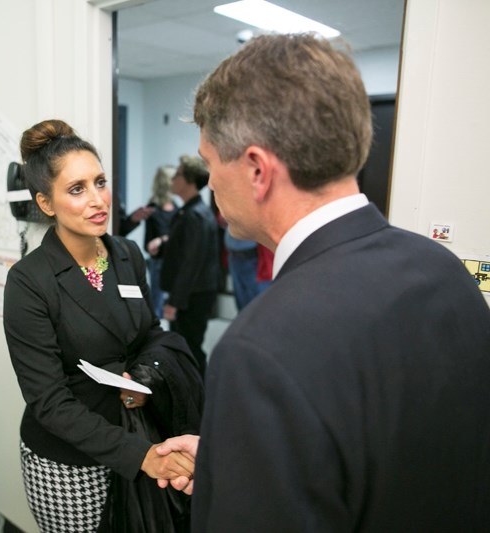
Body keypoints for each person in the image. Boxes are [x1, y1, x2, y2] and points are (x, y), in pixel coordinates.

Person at [156, 33, 490, 531]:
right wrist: (243, 461)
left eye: (209, 163)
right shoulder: (446, 271)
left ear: (255, 170)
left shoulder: (259, 351)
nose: (208, 183)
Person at [3, 119, 203, 532]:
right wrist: (142, 456)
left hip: (138, 433)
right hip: (69, 462)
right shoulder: (30, 280)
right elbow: (49, 402)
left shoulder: (127, 254)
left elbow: (149, 335)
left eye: (100, 182)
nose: (98, 199)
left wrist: (144, 379)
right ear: (46, 203)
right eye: (77, 189)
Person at [160, 156, 220, 375]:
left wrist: (175, 301)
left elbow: (191, 264)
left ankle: (201, 399)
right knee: (185, 348)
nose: (173, 179)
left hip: (192, 296)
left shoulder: (195, 215)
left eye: (177, 175)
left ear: (189, 181)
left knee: (189, 350)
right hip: (192, 293)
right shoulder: (190, 211)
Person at [142, 165, 179, 317]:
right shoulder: (153, 208)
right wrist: (154, 244)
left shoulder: (176, 206)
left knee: (173, 305)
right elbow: (148, 243)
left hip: (175, 260)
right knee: (157, 303)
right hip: (158, 262)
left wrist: (163, 239)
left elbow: (179, 236)